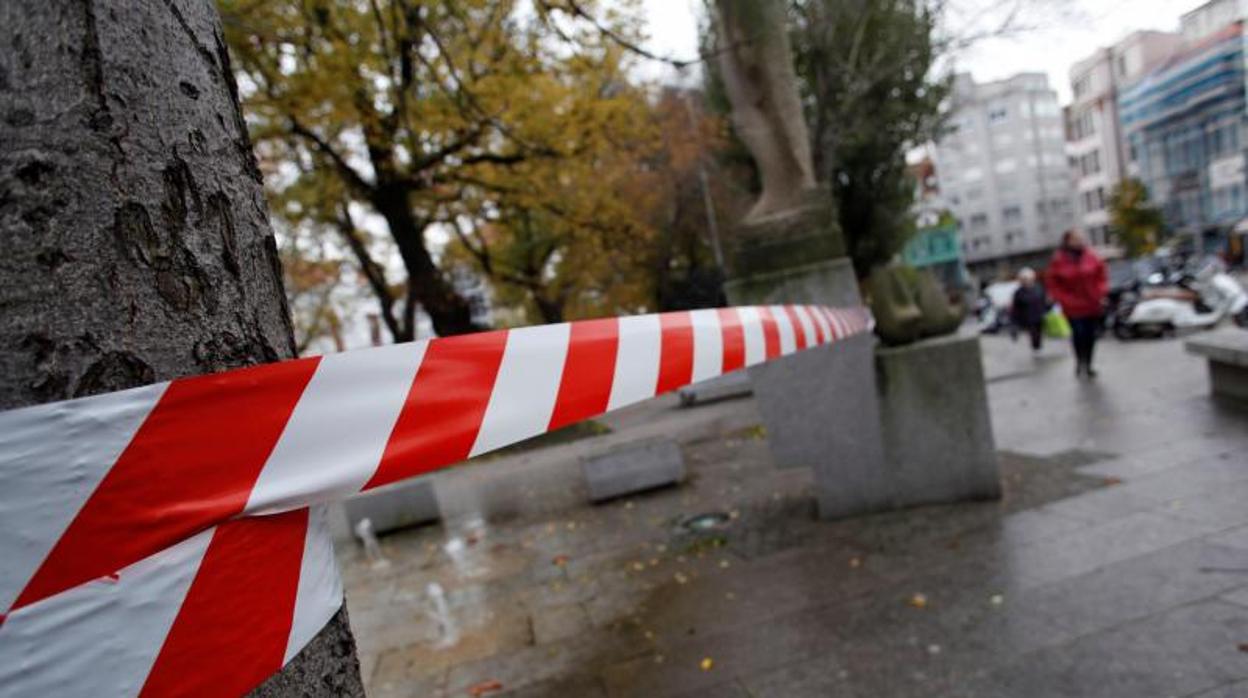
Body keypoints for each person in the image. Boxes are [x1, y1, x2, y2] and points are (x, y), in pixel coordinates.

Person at [1045, 230, 1108, 378]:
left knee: (1090, 335)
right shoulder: (1059, 259)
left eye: (1080, 238)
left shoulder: (1091, 256)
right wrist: (1062, 298)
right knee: (1078, 333)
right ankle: (1080, 361)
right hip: (1072, 306)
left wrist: (1101, 292)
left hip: (1092, 303)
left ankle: (1089, 364)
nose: (1079, 241)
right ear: (1067, 241)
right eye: (1075, 239)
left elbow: (1101, 275)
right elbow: (1053, 282)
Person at [1011, 267, 1048, 352]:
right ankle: (1036, 348)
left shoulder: (1038, 288)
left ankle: (1038, 346)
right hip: (1028, 317)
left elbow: (1043, 300)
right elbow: (1016, 307)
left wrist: (1046, 310)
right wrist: (1015, 321)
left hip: (1039, 315)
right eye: (1024, 279)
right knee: (1033, 333)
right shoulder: (1018, 292)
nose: (1026, 281)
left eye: (1027, 279)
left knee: (1039, 332)